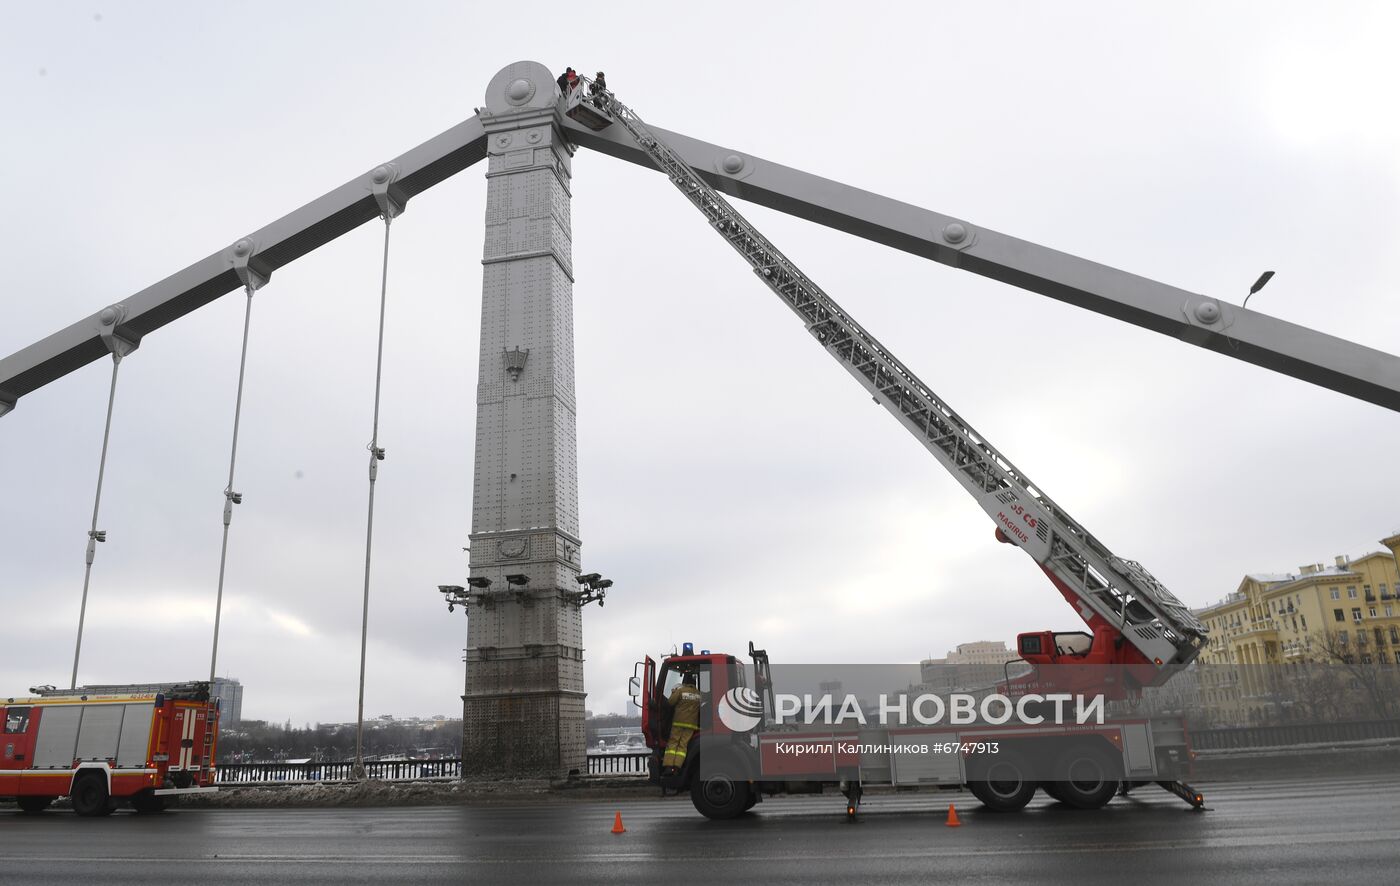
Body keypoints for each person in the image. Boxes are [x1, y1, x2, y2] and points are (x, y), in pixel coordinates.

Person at [662, 672, 702, 775]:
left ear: (685, 682)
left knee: (673, 744)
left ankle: (668, 767)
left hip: (678, 723)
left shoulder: (680, 691)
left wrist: (673, 692)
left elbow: (670, 702)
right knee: (682, 747)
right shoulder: (698, 694)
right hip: (691, 725)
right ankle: (677, 768)